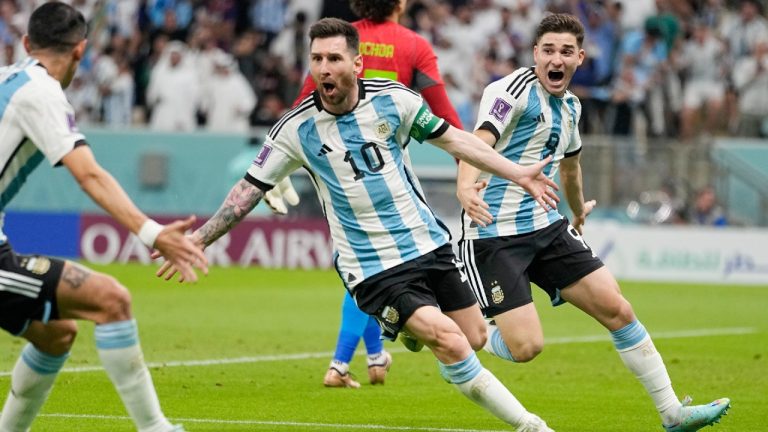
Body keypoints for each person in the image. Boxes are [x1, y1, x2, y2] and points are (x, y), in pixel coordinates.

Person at [159, 17, 560, 432]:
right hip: (372, 266)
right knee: (453, 342)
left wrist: (516, 172)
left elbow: (456, 140)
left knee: (474, 335)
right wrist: (200, 238)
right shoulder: (295, 129)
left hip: (428, 244)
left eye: (334, 58)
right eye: (316, 59)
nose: (324, 68)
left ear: (358, 65)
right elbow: (246, 192)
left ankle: (410, 331)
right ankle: (530, 425)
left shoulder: (396, 102)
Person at [456, 13, 730, 432]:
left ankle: (673, 412)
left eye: (566, 51)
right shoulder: (510, 90)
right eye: (548, 50)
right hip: (494, 234)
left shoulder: (571, 106)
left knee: (617, 307)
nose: (556, 58)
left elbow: (571, 166)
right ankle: (462, 337)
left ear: (579, 58)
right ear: (535, 54)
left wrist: (578, 210)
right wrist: (464, 188)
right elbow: (477, 142)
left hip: (547, 227)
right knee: (526, 347)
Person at [0, 3, 208, 432]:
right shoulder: (40, 92)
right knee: (112, 300)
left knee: (56, 334)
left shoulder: (8, 80)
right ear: (81, 51)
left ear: (25, 43)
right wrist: (152, 233)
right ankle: (157, 429)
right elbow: (88, 173)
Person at [289, 0, 467, 389]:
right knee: (375, 272)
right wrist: (465, 172)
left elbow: (302, 108)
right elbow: (445, 114)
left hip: (337, 167)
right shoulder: (412, 44)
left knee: (362, 270)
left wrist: (281, 171)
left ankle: (366, 357)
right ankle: (355, 358)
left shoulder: (341, 41)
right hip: (389, 165)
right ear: (401, 3)